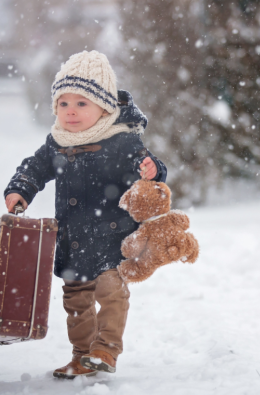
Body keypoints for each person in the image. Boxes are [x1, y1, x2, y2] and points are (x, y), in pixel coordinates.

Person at [4, 50, 167, 379]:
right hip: (72, 239)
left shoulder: (122, 142)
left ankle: (105, 349)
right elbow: (34, 168)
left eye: (81, 104)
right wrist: (20, 188)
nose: (71, 112)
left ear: (104, 107)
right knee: (76, 302)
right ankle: (82, 355)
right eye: (63, 104)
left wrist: (152, 169)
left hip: (111, 237)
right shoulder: (57, 142)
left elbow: (150, 166)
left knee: (110, 291)